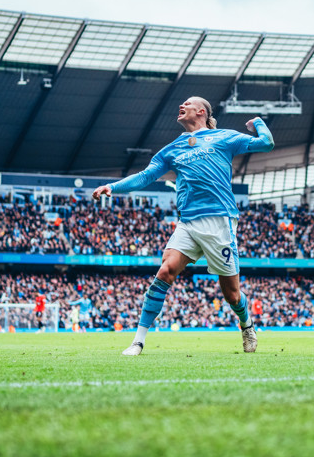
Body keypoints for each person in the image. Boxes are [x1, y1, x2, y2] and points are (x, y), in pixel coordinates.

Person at [92, 96, 274, 356]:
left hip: (219, 220)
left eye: (187, 103)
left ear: (201, 111)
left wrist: (258, 122)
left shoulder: (223, 137)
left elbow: (266, 144)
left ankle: (247, 325)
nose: (181, 105)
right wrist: (114, 186)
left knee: (232, 296)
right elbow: (145, 176)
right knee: (165, 271)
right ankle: (138, 341)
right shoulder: (171, 149)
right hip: (187, 221)